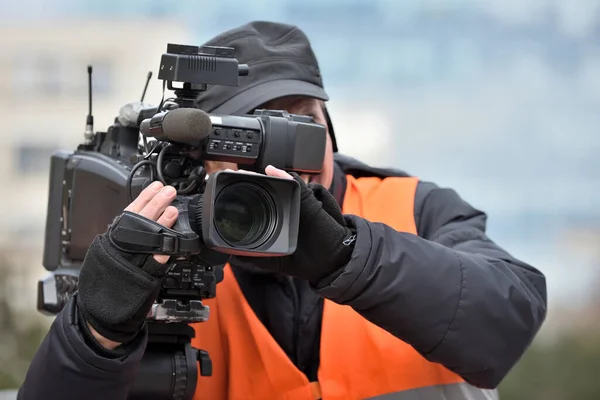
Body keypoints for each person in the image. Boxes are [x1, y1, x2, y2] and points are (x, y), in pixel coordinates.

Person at [18, 21, 547, 400]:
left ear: (331, 131)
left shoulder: (414, 208)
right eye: (256, 132)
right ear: (199, 156)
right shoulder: (168, 249)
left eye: (304, 124)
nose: (287, 158)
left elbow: (508, 317)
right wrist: (97, 333)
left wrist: (346, 255)